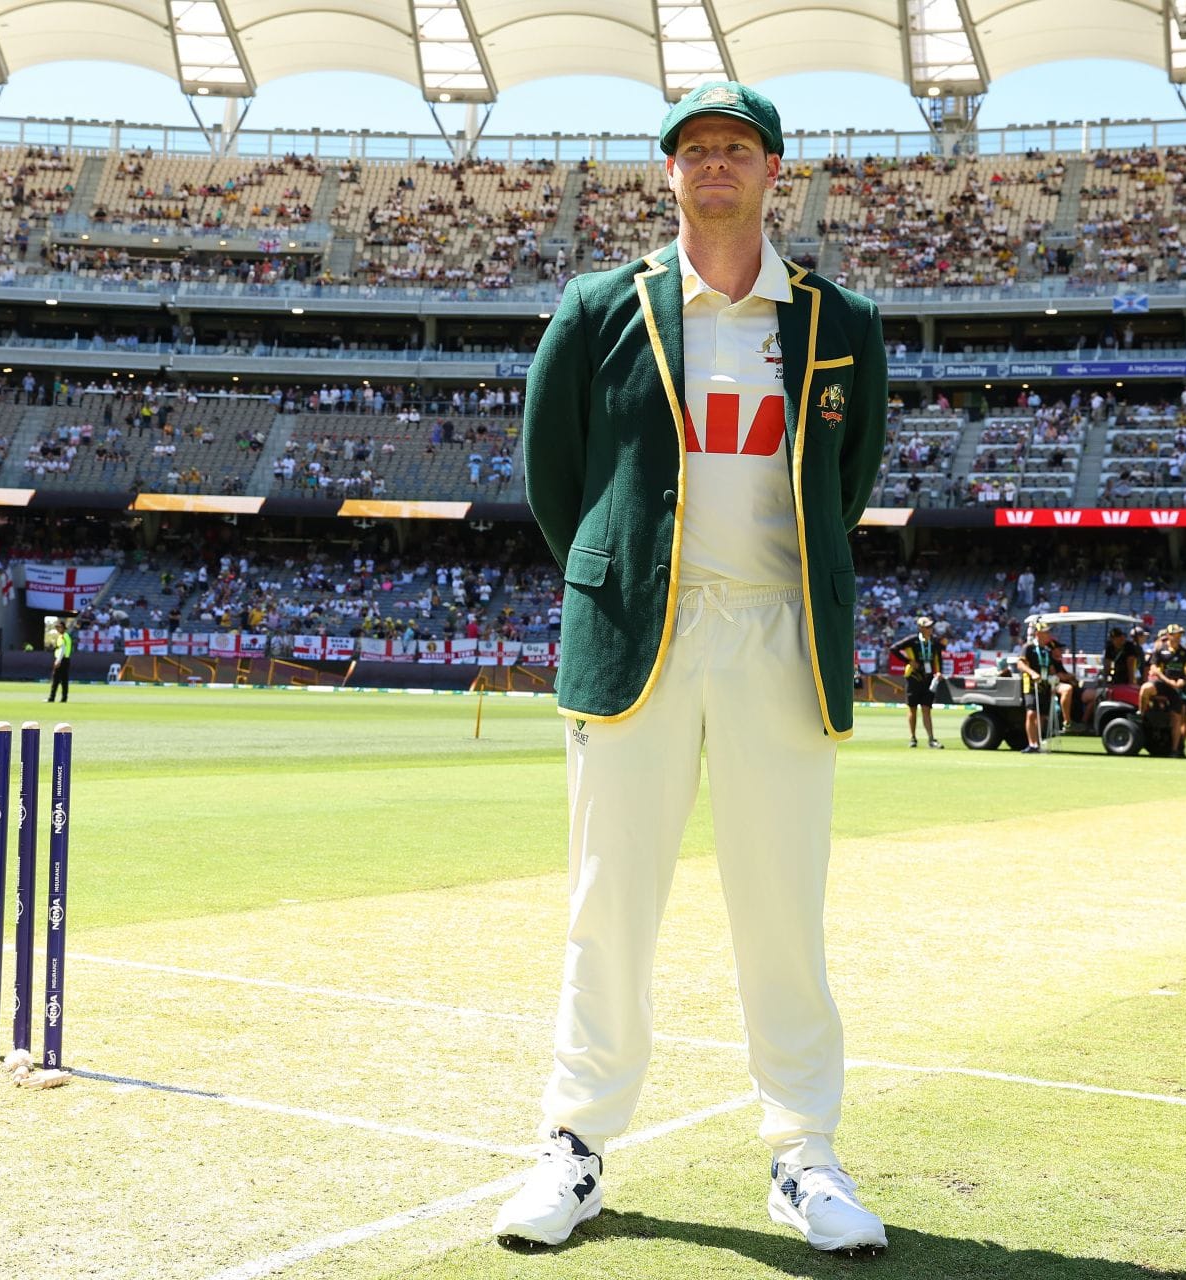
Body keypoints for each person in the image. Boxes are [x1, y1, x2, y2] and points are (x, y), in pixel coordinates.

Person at [502, 80, 889, 1254]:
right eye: (693, 149)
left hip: (780, 631)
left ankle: (804, 1152)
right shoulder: (596, 307)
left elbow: (848, 484)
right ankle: (574, 1144)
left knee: (784, 908)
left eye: (736, 147)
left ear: (778, 172)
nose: (713, 163)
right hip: (640, 633)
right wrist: (625, 585)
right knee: (608, 903)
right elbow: (552, 477)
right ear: (667, 175)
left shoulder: (843, 323)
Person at [889, 616, 946, 748]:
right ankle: (913, 738)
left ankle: (931, 739)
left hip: (929, 678)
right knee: (912, 708)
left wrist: (939, 672)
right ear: (920, 628)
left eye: (931, 627)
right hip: (913, 677)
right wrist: (909, 661)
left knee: (927, 708)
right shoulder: (912, 640)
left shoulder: (935, 642)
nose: (930, 629)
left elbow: (939, 658)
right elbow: (893, 649)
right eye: (927, 627)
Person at [1143, 625, 1186, 755]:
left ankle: (1175, 749)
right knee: (1146, 688)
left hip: (1177, 687)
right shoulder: (1160, 650)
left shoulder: (1185, 652)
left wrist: (1184, 680)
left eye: (1180, 634)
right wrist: (1167, 680)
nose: (1178, 637)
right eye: (1175, 634)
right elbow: (1154, 668)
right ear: (1169, 635)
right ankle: (1141, 714)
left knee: (1177, 718)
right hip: (1163, 683)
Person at [1015, 620, 1055, 753]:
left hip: (1045, 686)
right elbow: (1020, 664)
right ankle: (1032, 744)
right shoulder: (1029, 647)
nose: (1049, 634)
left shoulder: (1047, 650)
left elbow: (1050, 668)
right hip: (1031, 686)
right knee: (1031, 713)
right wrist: (1032, 673)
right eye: (1046, 632)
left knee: (1042, 716)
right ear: (1038, 634)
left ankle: (1038, 743)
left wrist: (1054, 679)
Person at [47, 617, 73, 703]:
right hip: (66, 660)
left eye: (59, 627)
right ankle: (64, 698)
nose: (58, 629)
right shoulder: (67, 636)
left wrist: (58, 660)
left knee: (55, 679)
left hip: (61, 660)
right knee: (64, 680)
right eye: (57, 627)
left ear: (63, 628)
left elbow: (62, 649)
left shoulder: (62, 637)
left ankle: (51, 697)